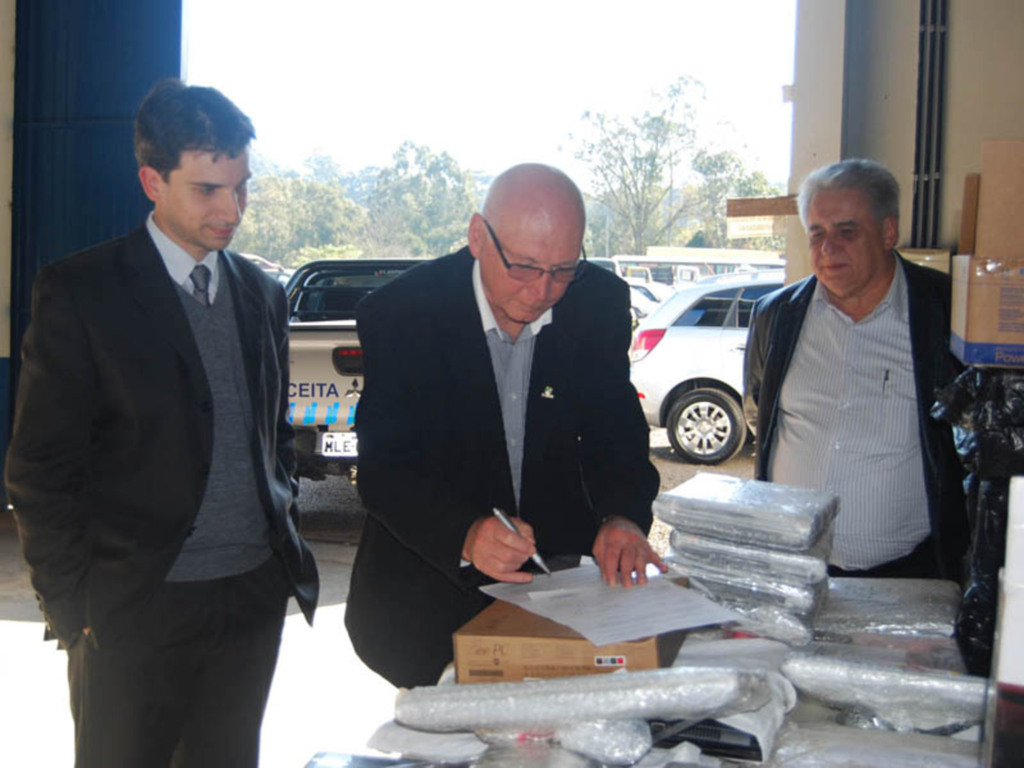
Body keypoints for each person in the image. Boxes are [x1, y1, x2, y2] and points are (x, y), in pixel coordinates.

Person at [4, 79, 319, 767]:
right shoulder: (81, 292)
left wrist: (277, 534)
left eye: (242, 187)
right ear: (152, 179)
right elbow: (38, 471)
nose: (231, 209)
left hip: (247, 603)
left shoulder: (262, 294)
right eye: (208, 189)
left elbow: (275, 437)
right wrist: (75, 608)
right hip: (130, 609)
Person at [345, 163, 663, 688]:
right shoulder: (403, 313)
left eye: (563, 269)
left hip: (560, 594)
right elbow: (385, 469)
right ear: (477, 237)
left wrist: (623, 515)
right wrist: (465, 535)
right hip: (428, 597)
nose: (543, 292)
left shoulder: (596, 302)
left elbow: (616, 429)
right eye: (524, 267)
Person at [743, 158, 967, 580]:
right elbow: (759, 411)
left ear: (887, 232)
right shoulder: (776, 317)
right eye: (817, 233)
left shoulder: (946, 312)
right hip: (794, 571)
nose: (828, 248)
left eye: (846, 231)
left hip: (911, 576)